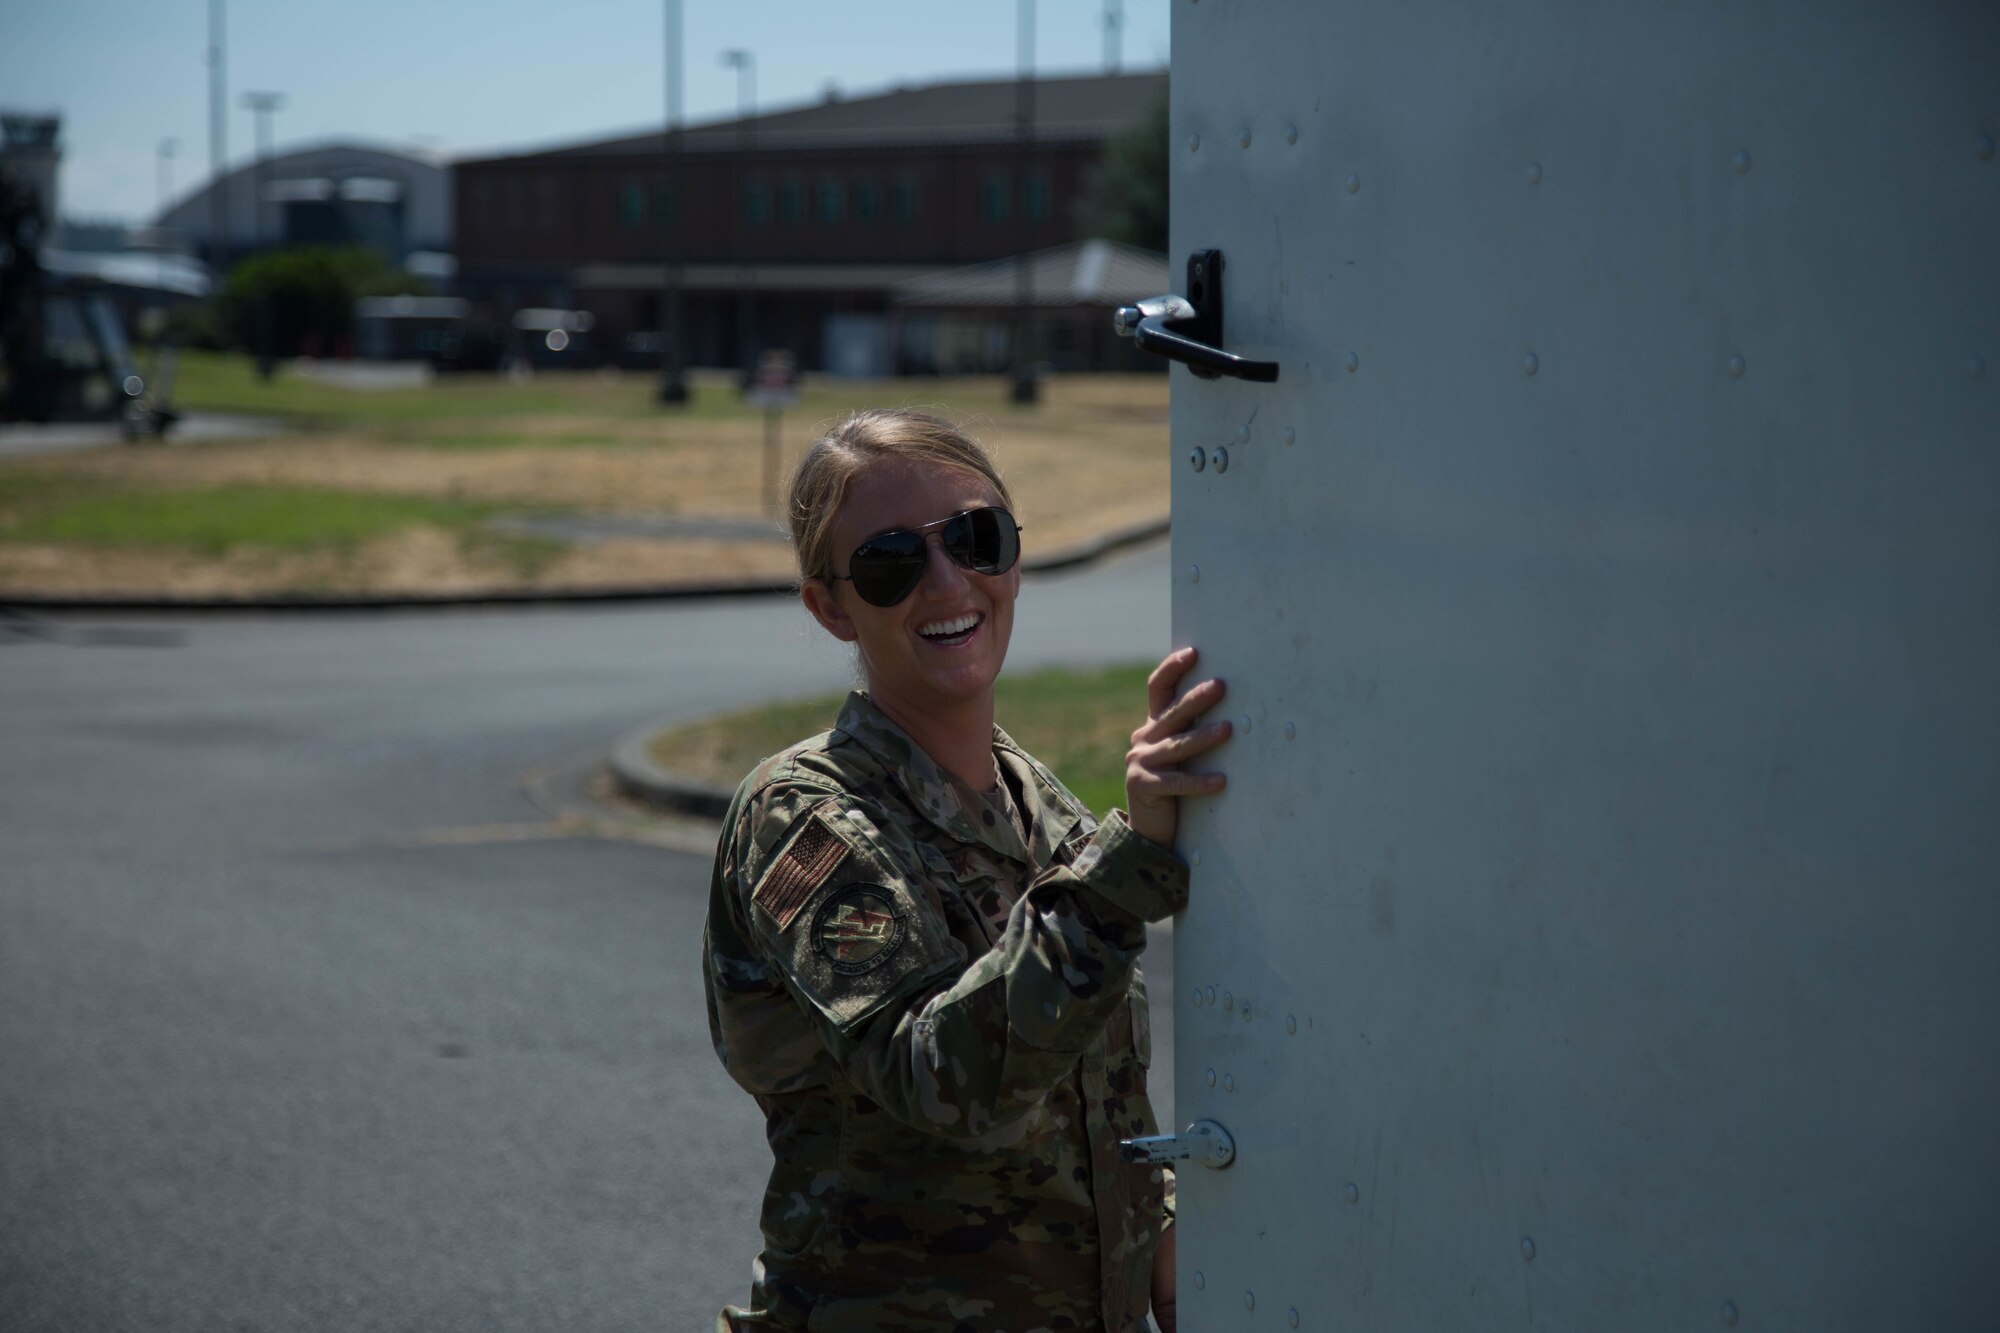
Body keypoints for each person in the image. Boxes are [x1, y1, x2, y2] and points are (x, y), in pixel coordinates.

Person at [703, 409, 1229, 1331]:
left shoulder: (1037, 798)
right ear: (831, 606)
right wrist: (1122, 871)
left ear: (1014, 558)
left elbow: (1084, 1093)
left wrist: (1162, 1235)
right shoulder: (805, 821)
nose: (947, 582)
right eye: (891, 563)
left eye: (976, 539)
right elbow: (944, 1078)